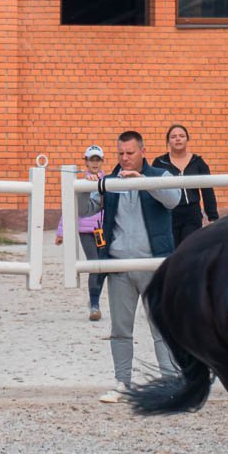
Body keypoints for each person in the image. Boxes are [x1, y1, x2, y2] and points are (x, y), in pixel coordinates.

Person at [78, 131, 182, 403]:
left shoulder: (160, 175)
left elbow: (174, 199)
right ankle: (122, 384)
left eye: (130, 153)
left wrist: (143, 182)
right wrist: (84, 187)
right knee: (120, 330)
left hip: (154, 265)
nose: (124, 158)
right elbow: (85, 210)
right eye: (120, 153)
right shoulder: (110, 181)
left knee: (161, 329)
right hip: (120, 266)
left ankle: (170, 384)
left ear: (143, 152)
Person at [55, 144, 108, 321]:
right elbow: (70, 207)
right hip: (86, 230)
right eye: (91, 160)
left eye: (98, 160)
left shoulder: (108, 181)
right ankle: (94, 305)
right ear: (85, 162)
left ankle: (95, 298)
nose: (95, 163)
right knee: (94, 265)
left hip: (102, 229)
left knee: (103, 267)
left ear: (102, 161)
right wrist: (61, 231)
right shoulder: (78, 182)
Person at [152, 124, 220, 247]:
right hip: (169, 214)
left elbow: (207, 191)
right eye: (173, 137)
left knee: (189, 249)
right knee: (172, 251)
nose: (178, 139)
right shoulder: (160, 163)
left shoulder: (198, 162)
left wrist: (213, 217)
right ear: (168, 141)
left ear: (187, 139)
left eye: (181, 136)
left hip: (192, 214)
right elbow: (154, 191)